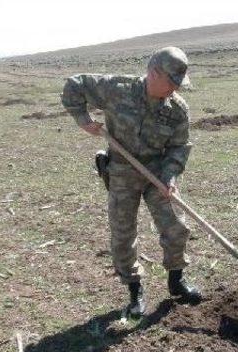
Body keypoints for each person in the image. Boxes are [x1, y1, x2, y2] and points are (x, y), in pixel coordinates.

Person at [61, 46, 201, 316]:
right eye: (171, 82)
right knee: (123, 234)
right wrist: (82, 118)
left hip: (157, 173)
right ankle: (135, 291)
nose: (174, 89)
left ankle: (177, 282)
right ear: (154, 73)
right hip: (122, 171)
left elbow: (180, 146)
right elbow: (74, 85)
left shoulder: (177, 109)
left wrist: (170, 175)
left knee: (175, 227)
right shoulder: (117, 89)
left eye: (178, 84)